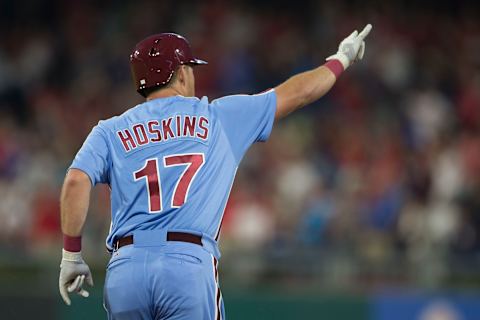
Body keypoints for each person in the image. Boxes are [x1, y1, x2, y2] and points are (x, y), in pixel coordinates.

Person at [58, 25, 372, 319]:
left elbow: (75, 180)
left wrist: (71, 255)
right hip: (187, 265)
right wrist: (340, 59)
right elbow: (299, 92)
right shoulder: (218, 116)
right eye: (190, 69)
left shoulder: (109, 131)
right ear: (181, 74)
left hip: (125, 267)